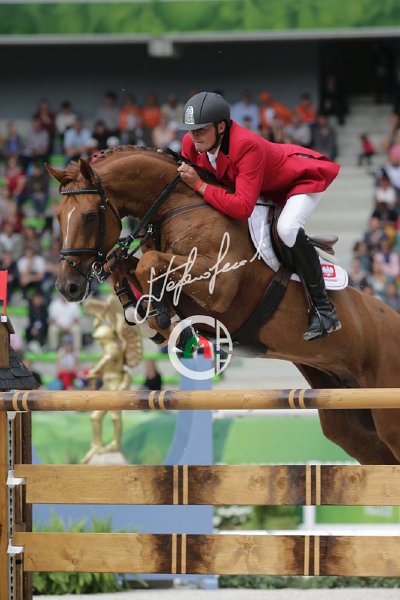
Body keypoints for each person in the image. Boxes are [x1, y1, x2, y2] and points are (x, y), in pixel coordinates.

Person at [176, 91, 341, 341]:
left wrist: (199, 185)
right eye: (191, 130)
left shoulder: (245, 145)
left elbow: (242, 207)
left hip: (297, 181)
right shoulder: (192, 144)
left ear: (221, 127)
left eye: (201, 129)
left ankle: (324, 310)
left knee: (287, 229)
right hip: (262, 189)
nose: (194, 135)